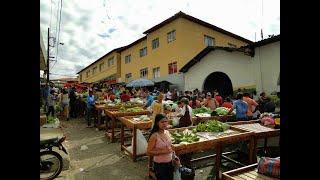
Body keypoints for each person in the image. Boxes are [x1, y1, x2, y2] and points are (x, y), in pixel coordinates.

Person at [147, 114, 175, 180]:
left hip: (170, 162)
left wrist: (175, 157)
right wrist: (163, 151)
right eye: (162, 122)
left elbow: (170, 147)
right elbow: (148, 152)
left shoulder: (167, 132)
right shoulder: (154, 136)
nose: (164, 124)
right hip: (160, 165)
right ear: (157, 123)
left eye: (166, 121)